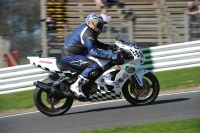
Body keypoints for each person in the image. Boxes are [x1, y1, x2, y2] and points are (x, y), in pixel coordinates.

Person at [61, 13, 120, 97]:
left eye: (100, 24)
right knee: (93, 65)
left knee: (96, 62)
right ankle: (76, 86)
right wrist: (110, 56)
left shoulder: (89, 30)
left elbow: (94, 43)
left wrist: (108, 47)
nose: (100, 26)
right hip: (70, 56)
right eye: (98, 24)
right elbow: (93, 52)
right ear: (92, 23)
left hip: (76, 53)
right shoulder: (88, 33)